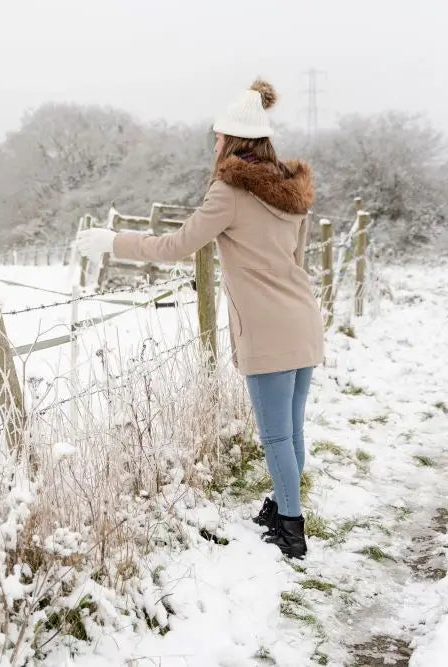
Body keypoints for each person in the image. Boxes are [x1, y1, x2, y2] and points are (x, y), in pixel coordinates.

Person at [75, 78, 322, 559]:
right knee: (292, 430)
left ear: (231, 140)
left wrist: (114, 242)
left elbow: (176, 245)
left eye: (218, 137)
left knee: (275, 435)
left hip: (269, 329)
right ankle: (281, 504)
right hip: (302, 318)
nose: (215, 144)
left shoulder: (230, 192)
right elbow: (296, 256)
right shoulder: (293, 192)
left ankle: (291, 530)